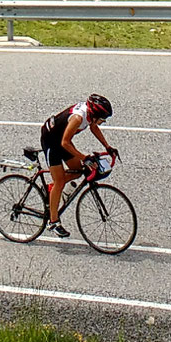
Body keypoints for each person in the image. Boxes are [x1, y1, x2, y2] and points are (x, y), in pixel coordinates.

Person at [40, 93, 115, 235]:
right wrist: (84, 157)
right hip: (51, 141)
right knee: (60, 181)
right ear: (94, 114)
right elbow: (65, 143)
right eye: (102, 119)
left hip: (62, 140)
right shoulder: (78, 118)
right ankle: (53, 222)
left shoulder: (90, 115)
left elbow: (93, 128)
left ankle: (52, 188)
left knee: (79, 170)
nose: (103, 121)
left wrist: (108, 147)